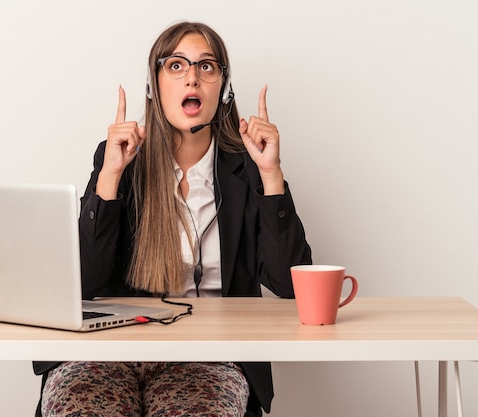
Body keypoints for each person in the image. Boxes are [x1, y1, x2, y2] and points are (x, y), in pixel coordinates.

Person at [34, 21, 312, 417]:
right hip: (109, 352)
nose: (192, 77)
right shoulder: (120, 159)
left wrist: (271, 174)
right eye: (176, 66)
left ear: (224, 87)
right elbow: (84, 283)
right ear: (154, 84)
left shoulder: (249, 168)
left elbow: (290, 286)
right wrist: (110, 176)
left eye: (207, 66)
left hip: (209, 358)